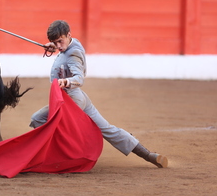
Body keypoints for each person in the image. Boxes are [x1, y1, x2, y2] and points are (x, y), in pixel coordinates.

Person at [30, 20, 168, 168]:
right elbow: (66, 48)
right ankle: (149, 155)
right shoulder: (72, 44)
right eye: (54, 42)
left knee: (39, 119)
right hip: (80, 97)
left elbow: (79, 78)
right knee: (107, 129)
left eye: (59, 41)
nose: (58, 46)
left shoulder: (73, 53)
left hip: (71, 100)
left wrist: (66, 82)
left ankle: (60, 156)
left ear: (68, 35)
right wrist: (55, 47)